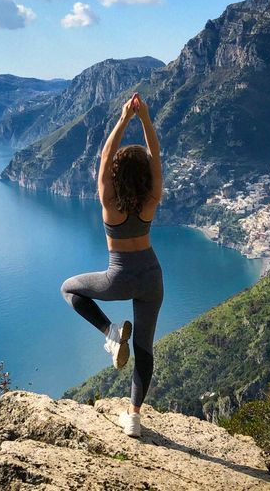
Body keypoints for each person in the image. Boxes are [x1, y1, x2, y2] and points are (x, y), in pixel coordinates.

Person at [60, 92, 164, 438]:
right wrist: (146, 119)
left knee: (68, 289)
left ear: (117, 174)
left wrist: (123, 119)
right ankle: (133, 417)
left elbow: (105, 155)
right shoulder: (151, 200)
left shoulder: (109, 202)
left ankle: (109, 332)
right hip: (151, 277)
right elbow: (156, 156)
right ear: (146, 176)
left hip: (117, 278)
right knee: (144, 349)